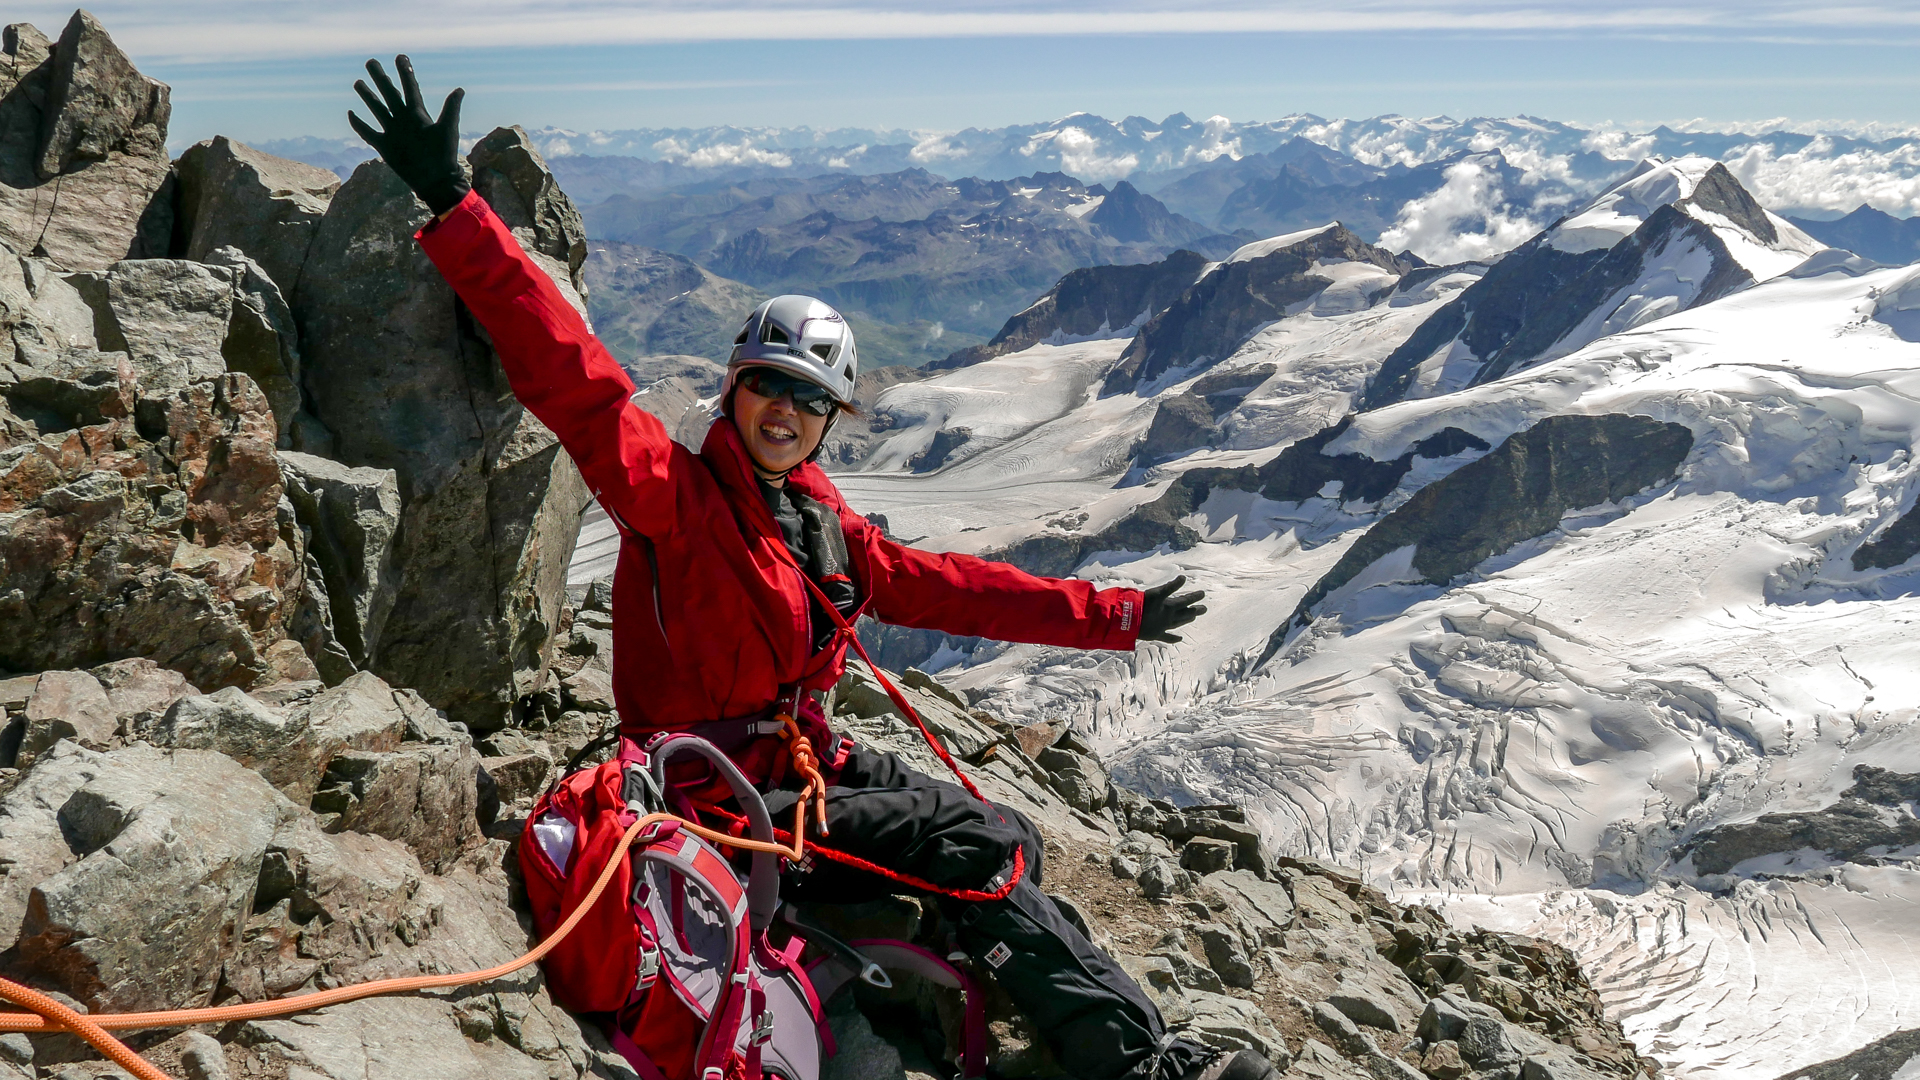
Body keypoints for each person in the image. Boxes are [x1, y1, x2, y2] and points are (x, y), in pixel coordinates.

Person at [349, 57, 1271, 1080]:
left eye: (807, 399)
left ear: (830, 419)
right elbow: (577, 382)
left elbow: (954, 588)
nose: (782, 414)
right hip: (716, 801)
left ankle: (983, 979)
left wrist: (1117, 615)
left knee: (1002, 832)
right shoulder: (676, 499)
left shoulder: (821, 521)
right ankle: (1137, 1066)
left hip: (798, 778)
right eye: (765, 389)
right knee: (981, 850)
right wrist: (455, 206)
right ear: (734, 391)